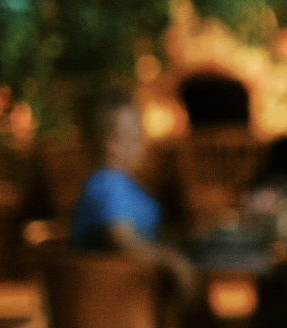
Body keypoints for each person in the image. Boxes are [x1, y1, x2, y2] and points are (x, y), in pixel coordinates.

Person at [69, 89, 197, 291]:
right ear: (112, 143)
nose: (143, 142)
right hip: (117, 302)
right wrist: (171, 261)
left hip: (131, 296)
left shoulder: (121, 184)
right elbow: (121, 237)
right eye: (136, 134)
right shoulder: (106, 184)